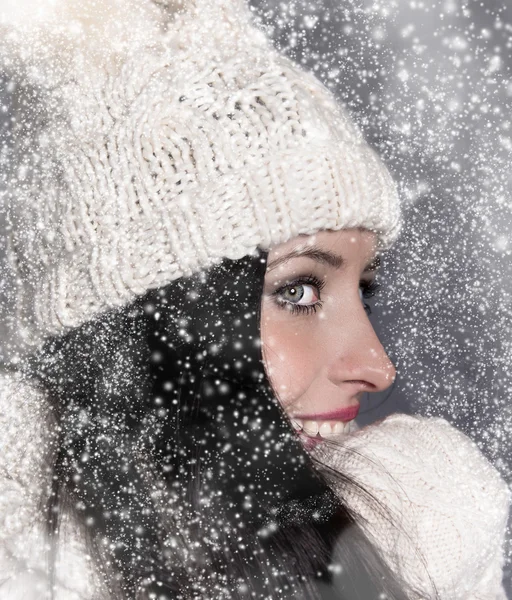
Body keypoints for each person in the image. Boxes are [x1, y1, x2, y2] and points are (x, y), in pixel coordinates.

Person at [0, 0, 509, 599]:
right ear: (134, 333)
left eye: (362, 293)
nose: (377, 366)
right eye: (297, 291)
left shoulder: (424, 533)